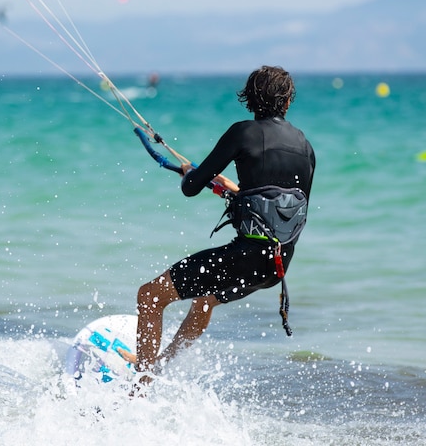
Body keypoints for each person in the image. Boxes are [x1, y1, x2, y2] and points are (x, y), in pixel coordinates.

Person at [120, 65, 316, 384]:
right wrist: (234, 190)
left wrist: (191, 174)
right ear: (287, 102)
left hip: (245, 257)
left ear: (249, 100)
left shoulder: (243, 132)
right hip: (277, 267)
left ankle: (139, 388)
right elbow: (289, 210)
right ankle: (158, 367)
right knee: (205, 300)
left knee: (150, 297)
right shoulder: (306, 148)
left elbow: (191, 187)